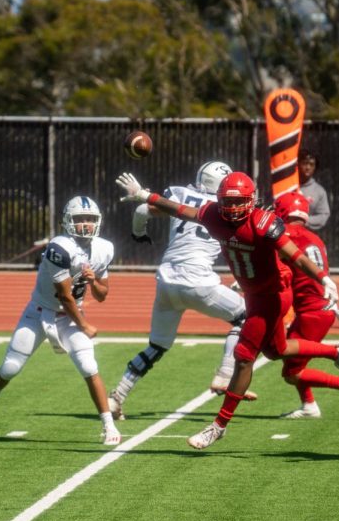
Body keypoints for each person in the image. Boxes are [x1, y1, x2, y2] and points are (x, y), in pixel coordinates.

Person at [116, 171, 339, 450]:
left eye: (238, 202)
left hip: (273, 294)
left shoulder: (263, 222)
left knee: (243, 357)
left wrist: (323, 277)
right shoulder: (213, 215)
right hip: (254, 293)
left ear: (251, 199)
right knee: (275, 350)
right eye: (227, 202)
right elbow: (180, 210)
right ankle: (337, 352)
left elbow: (295, 255)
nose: (231, 208)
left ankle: (218, 426)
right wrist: (144, 195)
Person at [107, 161, 255, 421]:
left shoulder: (180, 194)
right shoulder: (224, 209)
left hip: (166, 280)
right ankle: (223, 374)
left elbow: (143, 209)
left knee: (156, 346)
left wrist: (138, 234)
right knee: (244, 317)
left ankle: (117, 396)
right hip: (199, 281)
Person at [0, 196, 121, 446]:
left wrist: (93, 279)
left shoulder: (104, 248)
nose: (85, 224)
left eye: (90, 219)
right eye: (79, 219)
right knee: (10, 368)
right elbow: (64, 296)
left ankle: (109, 425)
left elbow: (102, 294)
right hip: (40, 312)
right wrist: (84, 325)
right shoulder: (59, 247)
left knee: (89, 367)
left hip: (70, 317)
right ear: (67, 221)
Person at [271, 192, 339, 419]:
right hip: (322, 308)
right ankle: (309, 405)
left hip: (313, 312)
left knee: (291, 371)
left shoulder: (286, 235)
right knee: (289, 358)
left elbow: (272, 266)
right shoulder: (315, 238)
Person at [297, 149, 331, 231]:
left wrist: (304, 221)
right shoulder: (289, 187)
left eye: (311, 164)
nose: (308, 167)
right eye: (305, 163)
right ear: (298, 164)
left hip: (307, 236)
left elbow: (323, 215)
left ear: (315, 167)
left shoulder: (319, 191)